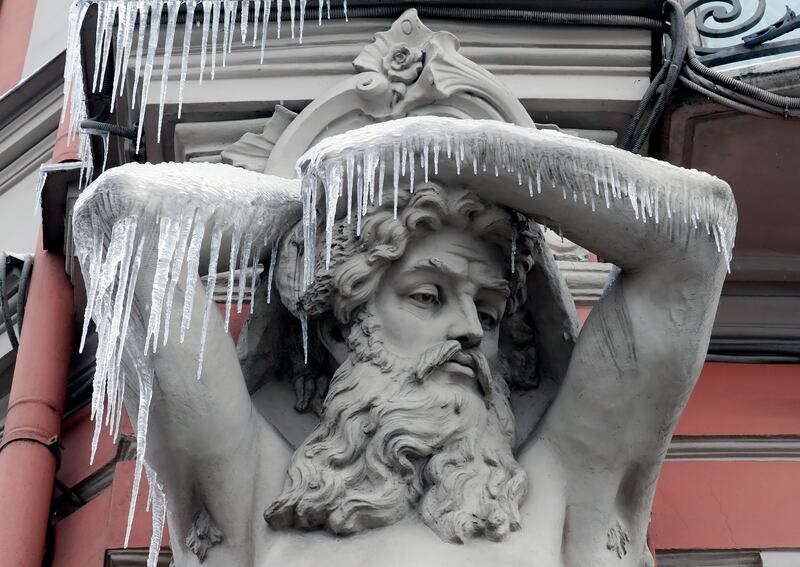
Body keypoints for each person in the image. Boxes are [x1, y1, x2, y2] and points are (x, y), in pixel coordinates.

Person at [94, 115, 734, 566]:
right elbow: (124, 217)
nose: (466, 331)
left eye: (486, 312)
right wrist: (311, 208)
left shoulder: (567, 492)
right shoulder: (250, 498)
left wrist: (437, 151)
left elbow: (697, 236)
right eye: (427, 296)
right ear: (343, 331)